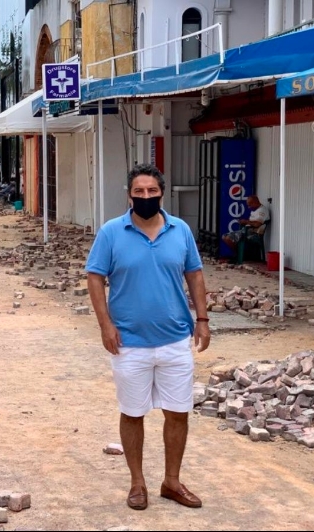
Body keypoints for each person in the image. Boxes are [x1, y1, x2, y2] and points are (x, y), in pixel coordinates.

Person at [85, 163, 210, 512]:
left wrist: (202, 319)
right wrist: (105, 325)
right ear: (129, 195)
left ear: (161, 193)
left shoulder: (180, 230)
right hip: (128, 344)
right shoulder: (111, 233)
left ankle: (171, 481)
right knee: (132, 413)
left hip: (174, 340)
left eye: (151, 191)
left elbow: (195, 275)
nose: (145, 197)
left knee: (178, 413)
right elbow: (95, 278)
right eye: (138, 192)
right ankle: (137, 483)